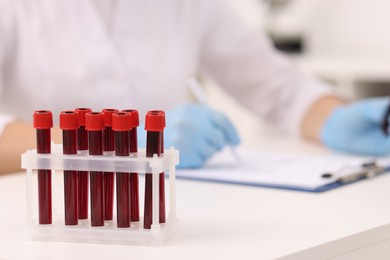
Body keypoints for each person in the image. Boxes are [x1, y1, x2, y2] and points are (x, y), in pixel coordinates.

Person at [0, 0, 389, 174]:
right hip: (50, 215)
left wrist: (334, 117)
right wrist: (118, 141)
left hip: (170, 212)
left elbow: (280, 88)